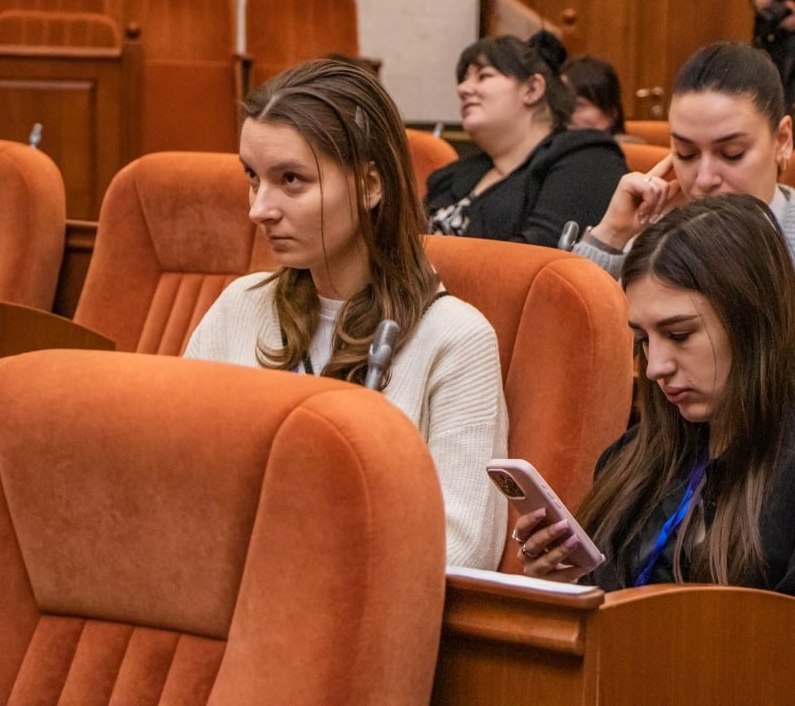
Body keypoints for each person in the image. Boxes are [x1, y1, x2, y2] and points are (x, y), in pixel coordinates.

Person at [513, 194, 795, 640]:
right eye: (643, 340)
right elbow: (605, 625)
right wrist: (567, 590)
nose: (654, 367)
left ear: (751, 321)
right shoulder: (632, 457)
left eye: (679, 334)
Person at [184, 58, 508, 570]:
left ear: (370, 186)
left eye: (291, 180)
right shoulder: (238, 307)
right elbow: (179, 481)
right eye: (253, 178)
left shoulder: (455, 338)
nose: (259, 209)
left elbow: (461, 550)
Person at [572, 40, 795, 278]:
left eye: (732, 154)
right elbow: (566, 349)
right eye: (686, 154)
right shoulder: (652, 240)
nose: (704, 179)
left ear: (782, 141)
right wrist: (611, 237)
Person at [425, 31, 628, 246]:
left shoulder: (588, 158)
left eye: (483, 76)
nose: (462, 89)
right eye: (464, 79)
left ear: (532, 89)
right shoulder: (454, 174)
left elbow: (537, 261)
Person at [561, 54, 628, 137]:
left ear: (611, 114)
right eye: (562, 105)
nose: (567, 115)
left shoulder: (625, 148)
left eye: (579, 105)